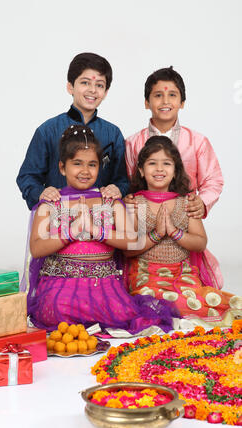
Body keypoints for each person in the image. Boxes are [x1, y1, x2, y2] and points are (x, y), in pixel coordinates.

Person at [25, 125, 180, 335]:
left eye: (92, 164)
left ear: (100, 168)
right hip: (61, 285)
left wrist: (98, 231)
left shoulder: (109, 200)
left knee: (118, 313)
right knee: (56, 311)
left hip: (103, 285)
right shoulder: (51, 202)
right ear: (62, 167)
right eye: (77, 164)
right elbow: (37, 248)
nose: (85, 171)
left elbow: (131, 241)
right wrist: (72, 231)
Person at [124, 136, 242, 328]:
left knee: (206, 299)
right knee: (153, 301)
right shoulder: (134, 204)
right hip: (146, 275)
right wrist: (156, 234)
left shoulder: (187, 203)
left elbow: (200, 242)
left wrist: (174, 232)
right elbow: (128, 250)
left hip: (182, 274)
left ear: (176, 170)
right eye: (152, 163)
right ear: (141, 170)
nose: (160, 169)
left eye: (167, 164)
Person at [124, 66, 224, 288]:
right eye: (157, 95)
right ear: (146, 102)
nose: (165, 101)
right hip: (145, 222)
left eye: (172, 95)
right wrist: (128, 199)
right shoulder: (132, 143)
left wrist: (201, 202)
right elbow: (128, 180)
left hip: (184, 218)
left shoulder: (197, 141)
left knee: (186, 287)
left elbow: (213, 180)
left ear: (182, 102)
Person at [16, 52, 129, 210]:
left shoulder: (113, 134)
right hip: (56, 216)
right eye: (85, 83)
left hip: (100, 219)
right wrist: (41, 193)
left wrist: (118, 189)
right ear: (70, 86)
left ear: (106, 92)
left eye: (99, 85)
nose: (92, 90)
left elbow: (122, 179)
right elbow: (27, 176)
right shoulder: (48, 130)